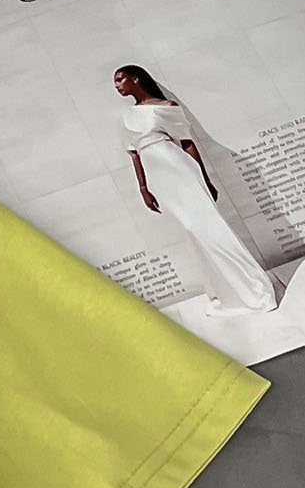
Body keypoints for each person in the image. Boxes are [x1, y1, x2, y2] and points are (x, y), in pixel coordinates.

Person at [114, 65, 281, 312]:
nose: (117, 85)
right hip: (160, 179)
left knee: (210, 230)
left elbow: (187, 143)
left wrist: (205, 178)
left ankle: (253, 288)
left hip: (180, 171)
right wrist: (143, 188)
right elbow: (134, 154)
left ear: (135, 79)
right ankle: (224, 292)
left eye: (120, 79)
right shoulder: (127, 117)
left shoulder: (166, 107)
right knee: (193, 232)